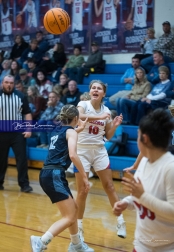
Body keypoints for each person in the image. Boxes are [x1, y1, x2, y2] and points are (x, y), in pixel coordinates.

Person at [113, 108, 174, 252]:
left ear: (145, 139)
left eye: (137, 136)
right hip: (142, 245)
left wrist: (142, 196)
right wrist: (127, 202)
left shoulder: (172, 168)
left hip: (169, 247)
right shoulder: (144, 162)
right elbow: (141, 197)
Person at [30, 104, 94, 252]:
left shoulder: (57, 131)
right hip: (54, 175)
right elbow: (73, 154)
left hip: (48, 173)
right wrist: (84, 176)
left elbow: (69, 135)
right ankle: (41, 241)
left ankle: (76, 244)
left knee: (74, 209)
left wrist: (79, 129)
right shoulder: (71, 132)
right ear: (76, 118)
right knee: (70, 217)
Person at [74, 80, 126, 241]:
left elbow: (108, 136)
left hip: (99, 150)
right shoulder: (83, 104)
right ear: (90, 92)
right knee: (82, 190)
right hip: (82, 151)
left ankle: (120, 221)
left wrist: (115, 125)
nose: (95, 90)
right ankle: (79, 228)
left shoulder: (107, 110)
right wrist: (99, 116)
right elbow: (78, 116)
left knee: (109, 186)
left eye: (99, 88)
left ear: (103, 93)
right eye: (93, 88)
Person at [0, 75, 33, 192]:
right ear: (2, 83)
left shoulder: (20, 96)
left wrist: (28, 129)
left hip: (17, 133)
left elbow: (28, 113)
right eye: (6, 82)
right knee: (1, 160)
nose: (9, 85)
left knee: (22, 160)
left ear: (14, 84)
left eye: (11, 83)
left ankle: (24, 185)